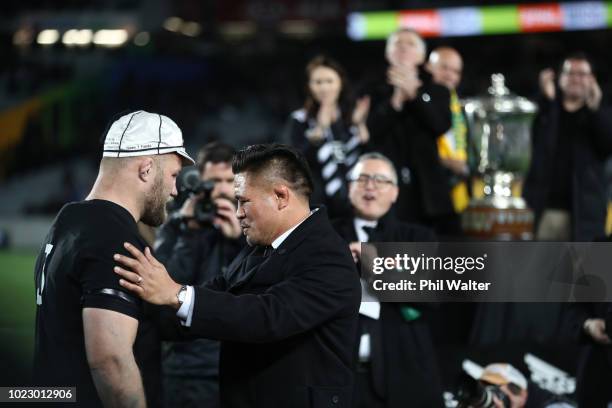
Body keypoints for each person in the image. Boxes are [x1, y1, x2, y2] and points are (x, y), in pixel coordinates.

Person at [113, 143, 361, 408]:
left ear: (280, 196)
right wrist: (135, 308)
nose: (238, 211)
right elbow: (217, 292)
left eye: (243, 201)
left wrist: (177, 294)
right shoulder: (260, 247)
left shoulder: (328, 256)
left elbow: (267, 316)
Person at [33, 110, 195, 407]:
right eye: (173, 175)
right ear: (146, 169)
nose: (174, 190)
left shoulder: (69, 219)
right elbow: (110, 361)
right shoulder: (111, 235)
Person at [331, 152, 444, 408]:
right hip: (337, 375)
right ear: (349, 188)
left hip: (403, 375)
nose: (370, 186)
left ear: (395, 193)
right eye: (362, 178)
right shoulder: (327, 235)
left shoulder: (418, 238)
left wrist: (374, 264)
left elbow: (432, 293)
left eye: (380, 180)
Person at [154, 141, 245, 408]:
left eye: (230, 180)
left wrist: (239, 243)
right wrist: (191, 231)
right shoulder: (178, 225)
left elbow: (259, 295)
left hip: (239, 366)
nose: (222, 189)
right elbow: (161, 291)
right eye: (214, 181)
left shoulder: (252, 226)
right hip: (188, 370)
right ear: (199, 183)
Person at [366, 28, 455, 234]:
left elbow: (440, 125)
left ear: (422, 56)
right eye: (398, 43)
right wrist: (396, 100)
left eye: (411, 44)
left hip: (428, 196)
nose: (404, 47)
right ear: (388, 53)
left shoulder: (437, 90)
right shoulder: (374, 91)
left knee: (428, 259)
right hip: (385, 189)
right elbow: (371, 132)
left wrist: (414, 94)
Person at [524, 53, 612, 241]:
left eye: (582, 74)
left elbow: (607, 147)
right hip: (543, 210)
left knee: (584, 271)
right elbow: (526, 135)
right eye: (570, 73)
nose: (576, 79)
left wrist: (595, 109)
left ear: (592, 80)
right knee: (542, 269)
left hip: (585, 214)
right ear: (559, 78)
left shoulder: (601, 113)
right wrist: (545, 99)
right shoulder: (544, 109)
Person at [282, 55, 371, 219]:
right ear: (309, 86)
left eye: (329, 81)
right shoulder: (300, 120)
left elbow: (370, 159)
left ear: (341, 83)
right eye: (318, 82)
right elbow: (292, 163)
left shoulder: (352, 118)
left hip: (357, 205)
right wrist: (319, 131)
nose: (324, 88)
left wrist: (360, 127)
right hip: (318, 206)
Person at [426, 46, 471, 215]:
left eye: (456, 71)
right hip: (431, 187)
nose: (450, 75)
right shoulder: (419, 99)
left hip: (457, 186)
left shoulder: (457, 103)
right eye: (444, 67)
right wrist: (446, 162)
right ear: (428, 66)